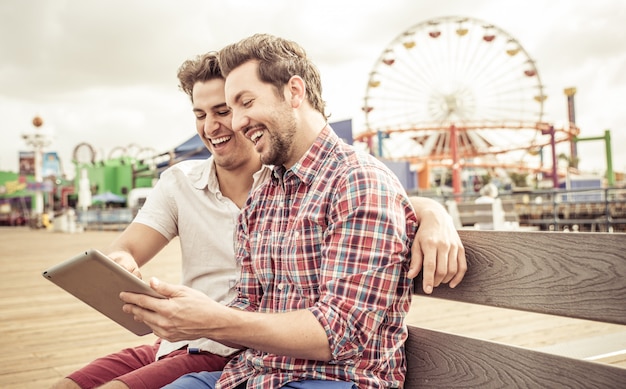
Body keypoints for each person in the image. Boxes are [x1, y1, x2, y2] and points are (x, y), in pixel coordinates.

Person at [50, 50, 464, 389]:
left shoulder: (353, 180)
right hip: (248, 367)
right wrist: (166, 301)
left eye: (239, 105)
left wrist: (433, 211)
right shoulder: (265, 189)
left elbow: (342, 330)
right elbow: (250, 300)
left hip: (311, 372)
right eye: (211, 112)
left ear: (294, 92)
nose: (227, 123)